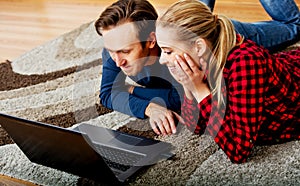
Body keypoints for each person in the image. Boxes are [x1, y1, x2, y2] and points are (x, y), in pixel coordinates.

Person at [94, 0, 299, 136]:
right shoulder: (116, 45)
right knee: (195, 7)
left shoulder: (183, 56)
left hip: (224, 34)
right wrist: (149, 107)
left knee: (294, 26)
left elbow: (183, 98)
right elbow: (106, 94)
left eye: (125, 52)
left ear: (150, 40)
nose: (116, 60)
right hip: (183, 31)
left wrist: (131, 90)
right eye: (110, 51)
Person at [155, 0, 300, 163]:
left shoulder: (246, 63)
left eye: (168, 51)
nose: (161, 60)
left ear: (199, 47)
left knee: (295, 25)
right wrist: (189, 87)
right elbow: (195, 126)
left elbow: (239, 151)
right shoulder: (202, 62)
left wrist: (201, 91)